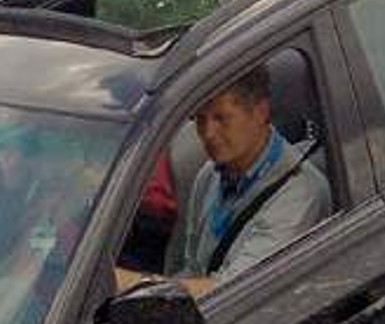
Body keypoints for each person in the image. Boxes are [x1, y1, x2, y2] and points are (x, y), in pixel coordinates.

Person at [118, 64, 329, 297]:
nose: (208, 133)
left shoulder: (299, 193)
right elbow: (194, 269)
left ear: (260, 112)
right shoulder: (209, 175)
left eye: (221, 118)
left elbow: (236, 291)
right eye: (200, 120)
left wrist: (136, 285)